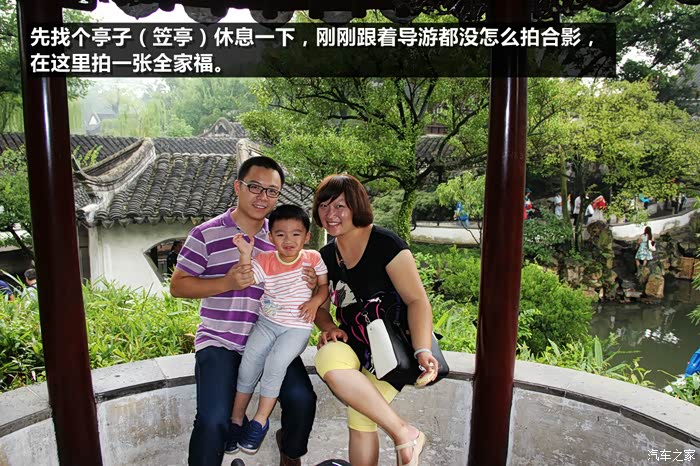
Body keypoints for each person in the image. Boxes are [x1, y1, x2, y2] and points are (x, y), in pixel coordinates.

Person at [170, 156, 318, 466]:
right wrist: (226, 282)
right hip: (220, 340)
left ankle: (290, 453)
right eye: (255, 187)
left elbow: (307, 279)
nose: (263, 197)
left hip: (270, 336)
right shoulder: (206, 233)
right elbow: (178, 286)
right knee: (213, 419)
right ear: (238, 187)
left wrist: (311, 281)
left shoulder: (280, 236)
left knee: (302, 399)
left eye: (272, 191)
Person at [312, 174, 439, 466]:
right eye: (324, 206)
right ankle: (405, 433)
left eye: (340, 206)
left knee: (360, 415)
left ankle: (406, 435)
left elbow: (417, 300)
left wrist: (422, 349)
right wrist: (328, 327)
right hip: (352, 341)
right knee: (327, 357)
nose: (330, 214)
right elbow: (317, 306)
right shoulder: (326, 257)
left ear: (356, 206)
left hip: (392, 348)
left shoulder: (385, 244)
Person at [228, 205, 329, 455]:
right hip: (267, 323)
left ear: (307, 236)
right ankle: (236, 419)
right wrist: (245, 254)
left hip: (297, 327)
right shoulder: (265, 260)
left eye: (296, 234)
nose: (288, 240)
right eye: (280, 234)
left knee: (276, 363)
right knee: (248, 363)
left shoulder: (313, 258)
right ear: (271, 237)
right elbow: (246, 278)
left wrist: (315, 301)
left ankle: (260, 421)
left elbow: (324, 287)